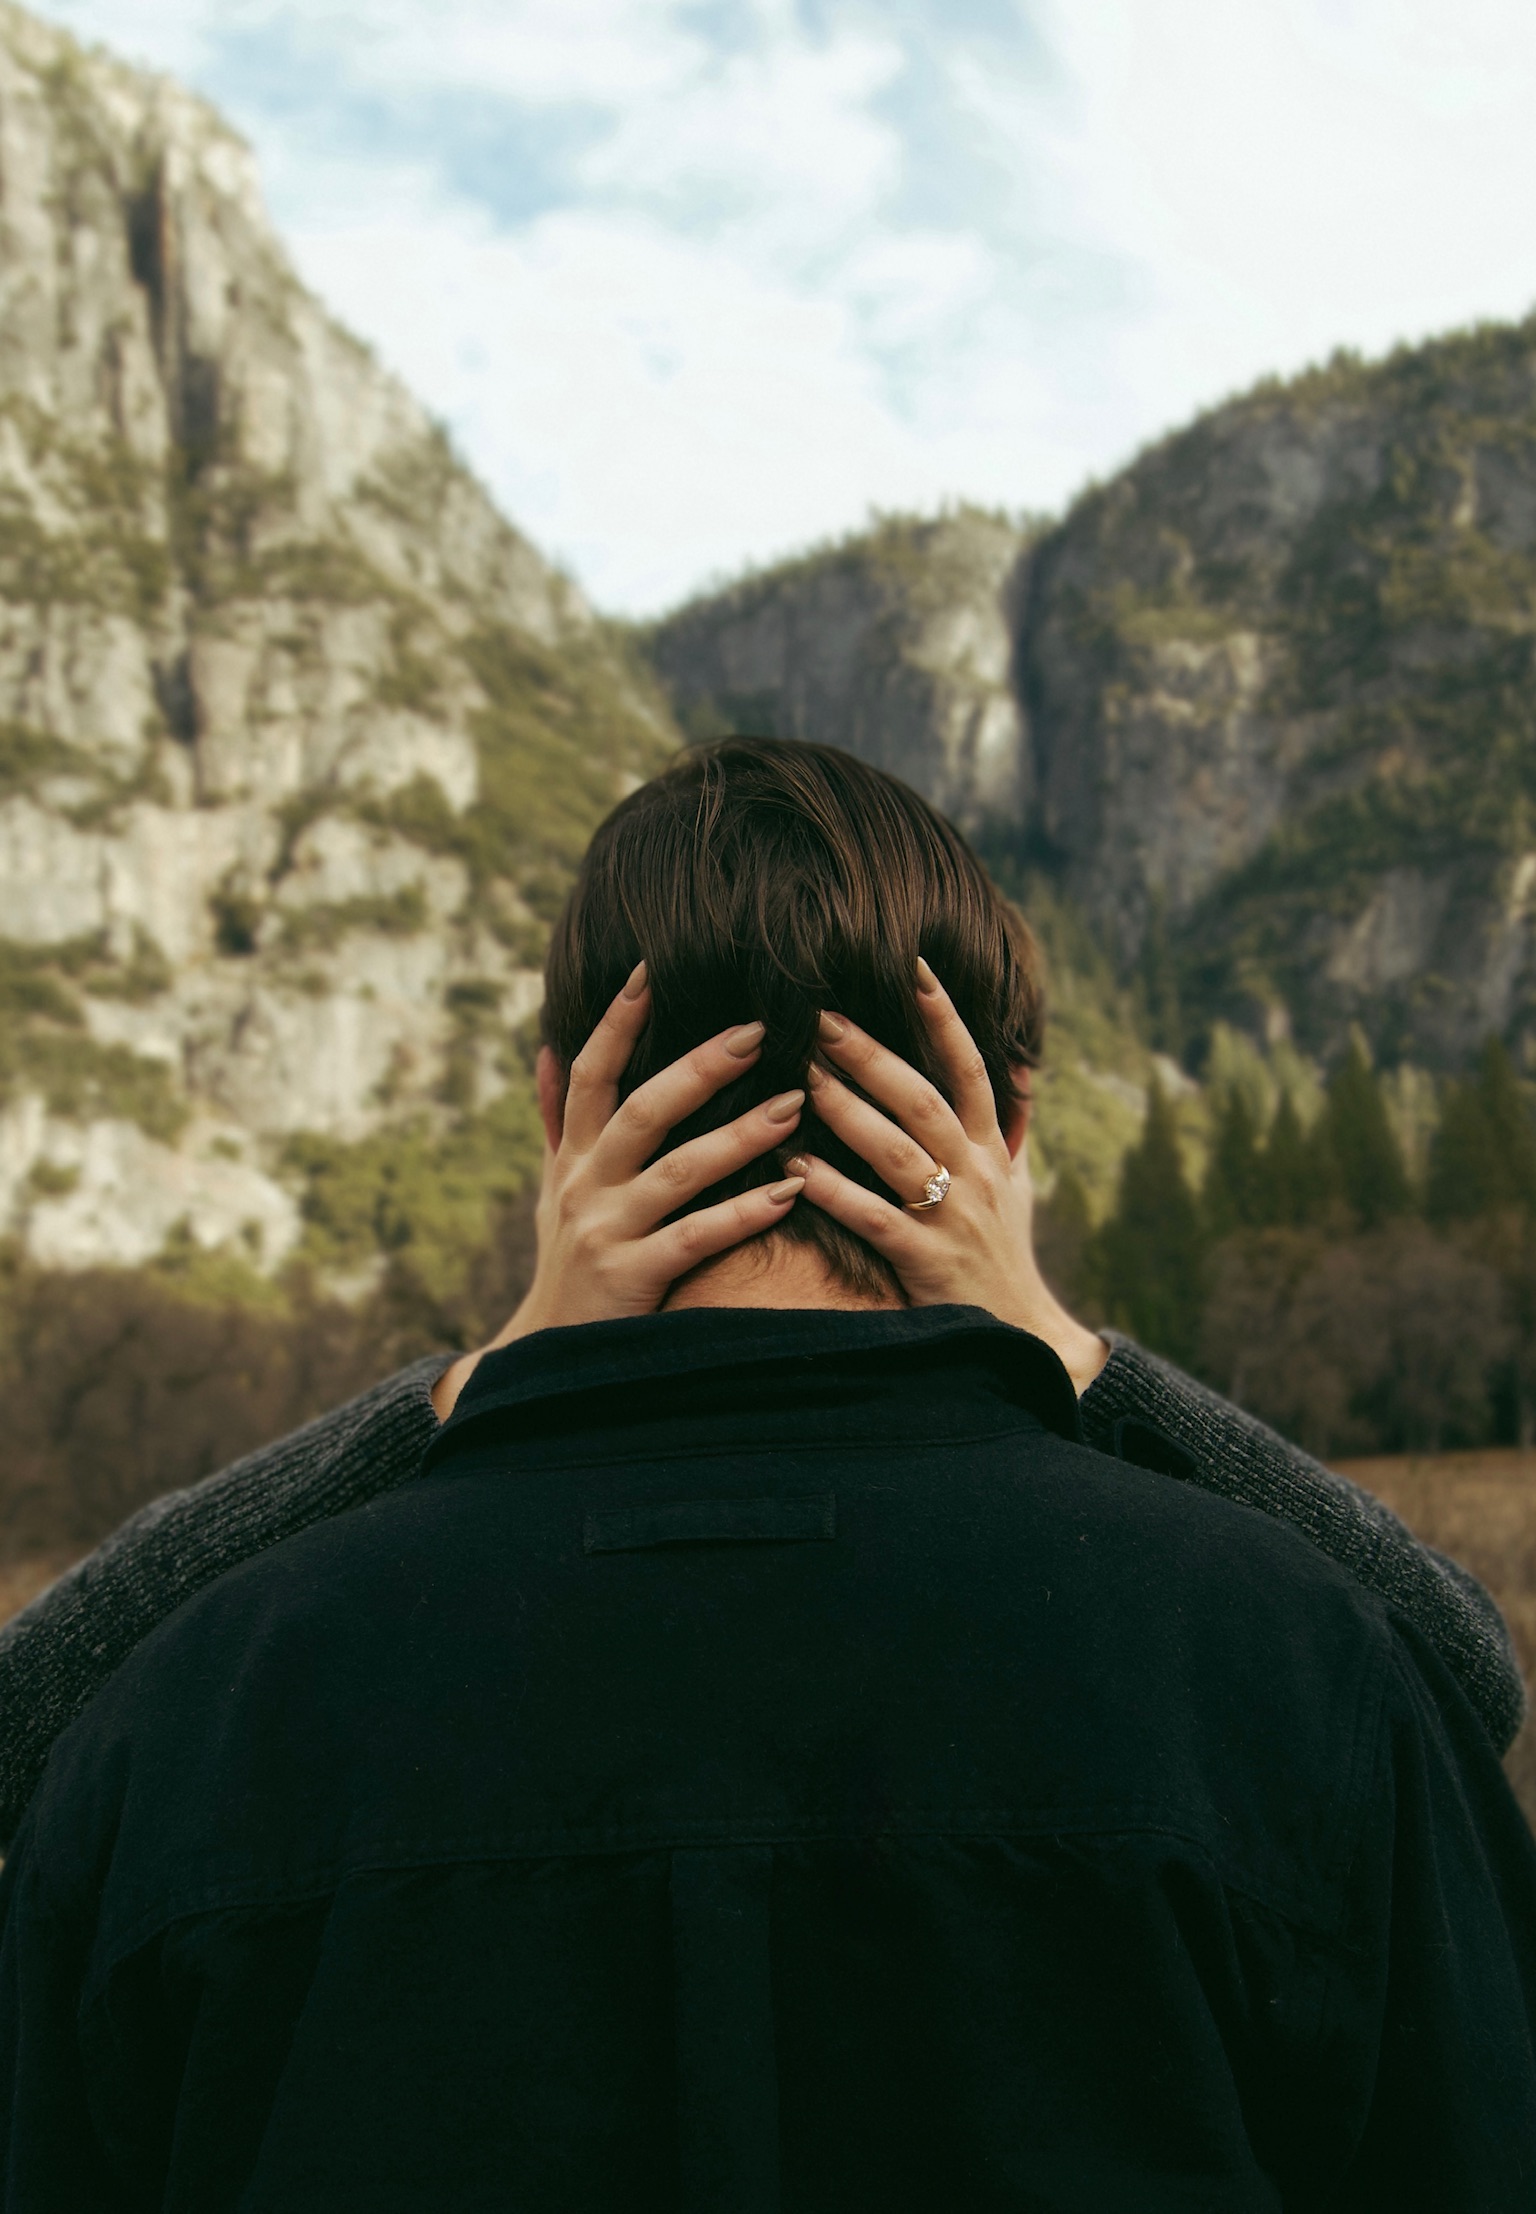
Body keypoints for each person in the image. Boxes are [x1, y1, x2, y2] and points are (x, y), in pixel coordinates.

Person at [0, 737, 1532, 2208]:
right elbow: (1463, 1670)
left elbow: (24, 1720)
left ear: (556, 1116)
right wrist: (1068, 1344)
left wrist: (473, 1380)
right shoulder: (1288, 1669)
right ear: (1009, 1121)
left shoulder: (191, 1715)